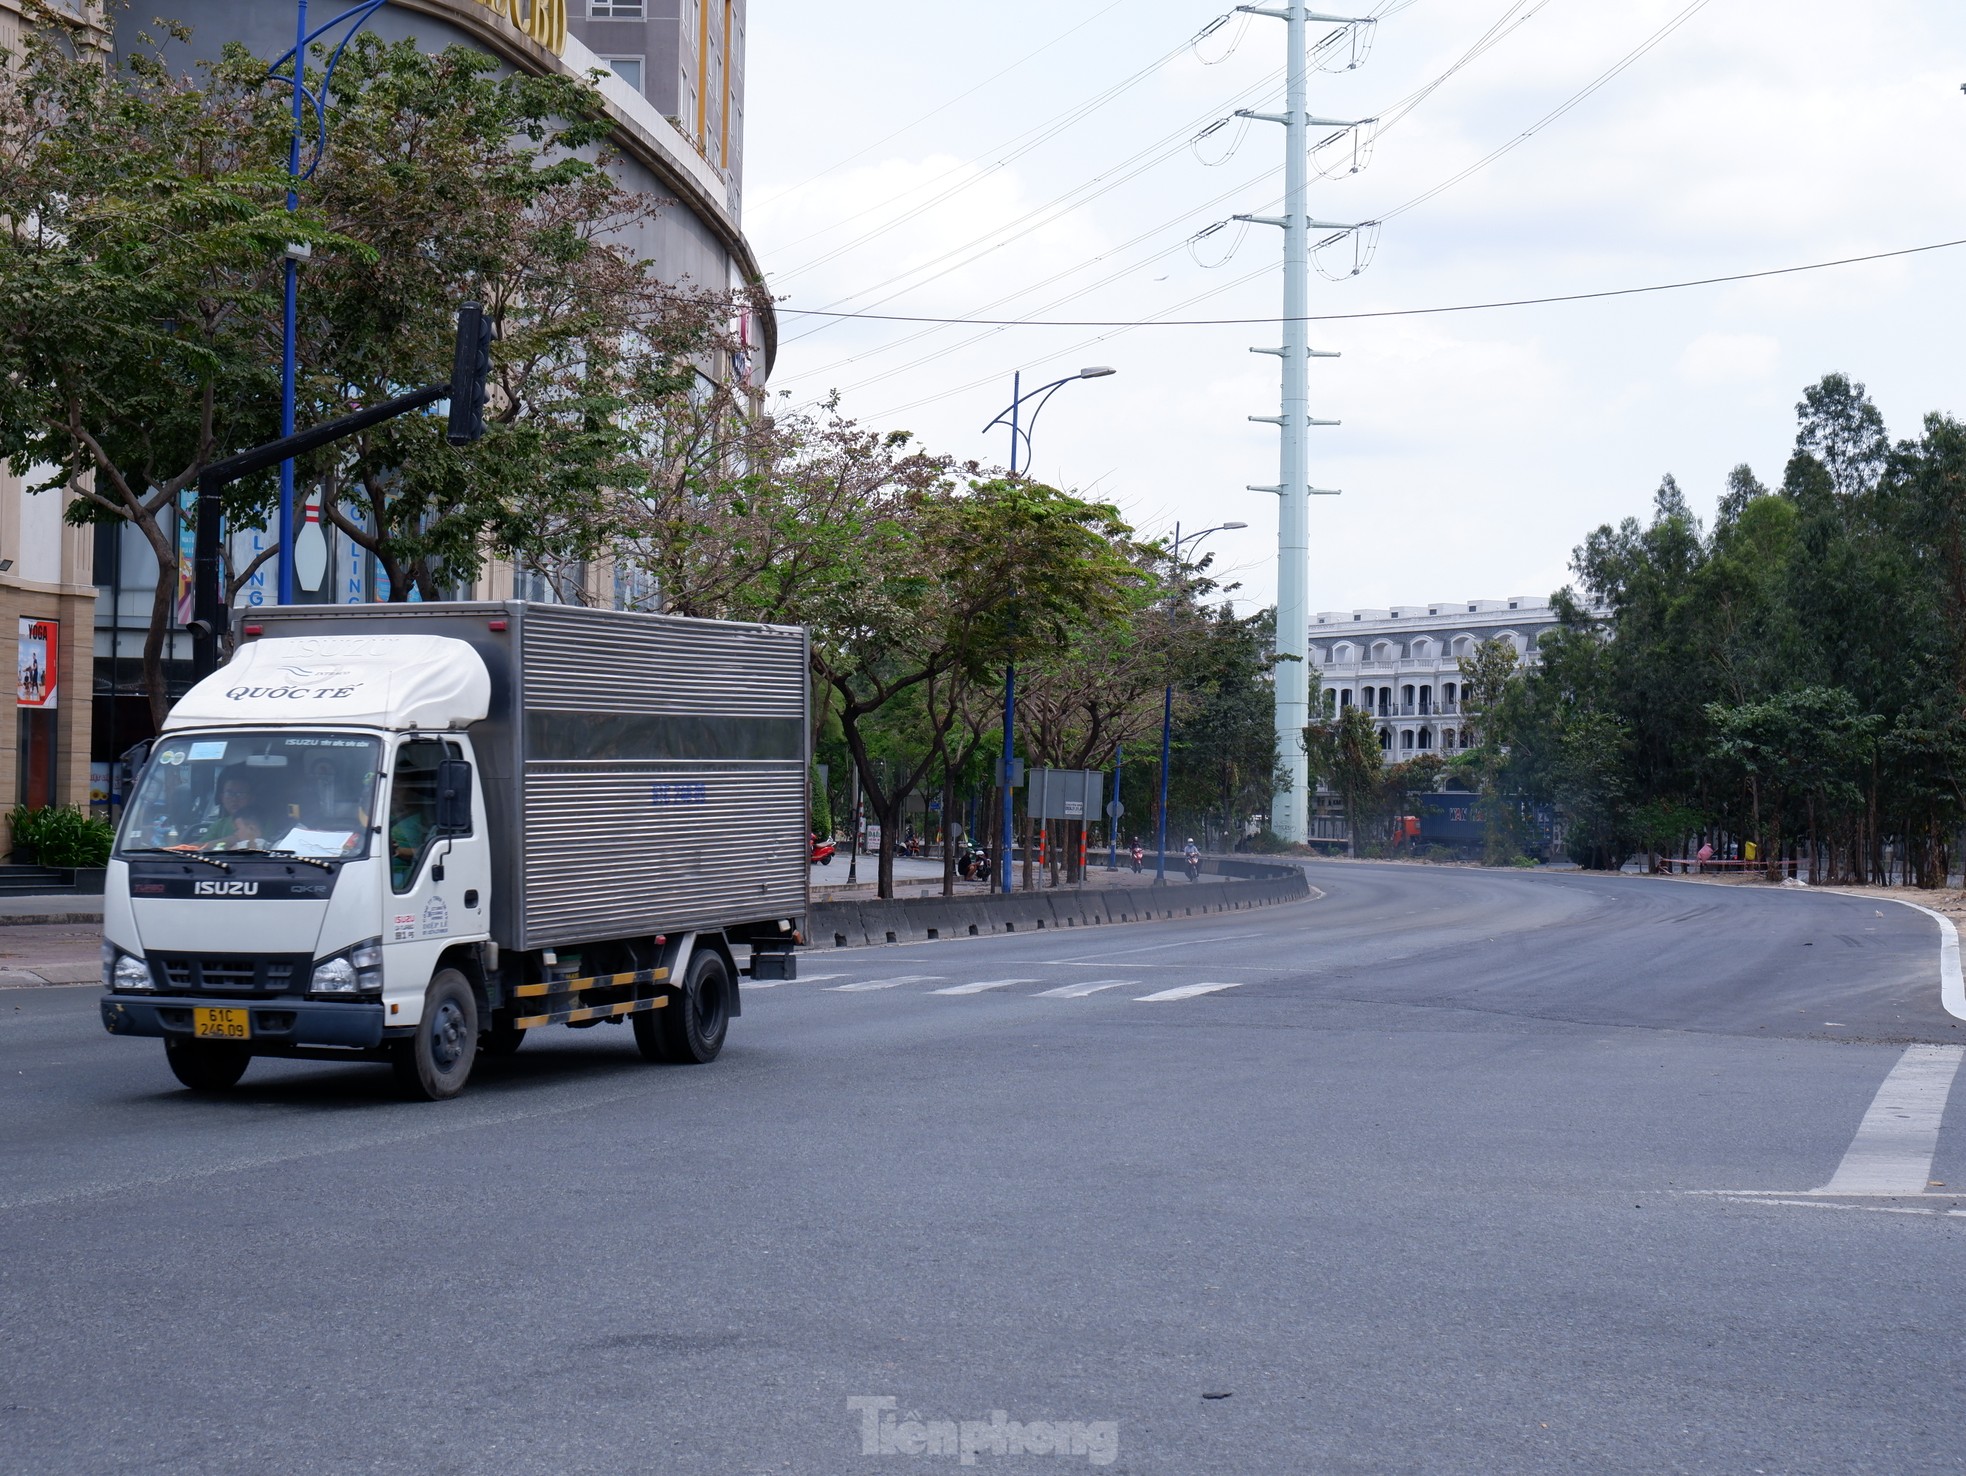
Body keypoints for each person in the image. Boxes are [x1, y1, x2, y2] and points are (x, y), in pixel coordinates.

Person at [195, 774, 263, 851]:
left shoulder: (262, 821)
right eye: (229, 793)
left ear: (251, 798)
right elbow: (199, 846)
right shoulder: (219, 824)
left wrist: (233, 839)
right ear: (222, 797)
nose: (234, 799)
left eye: (241, 794)